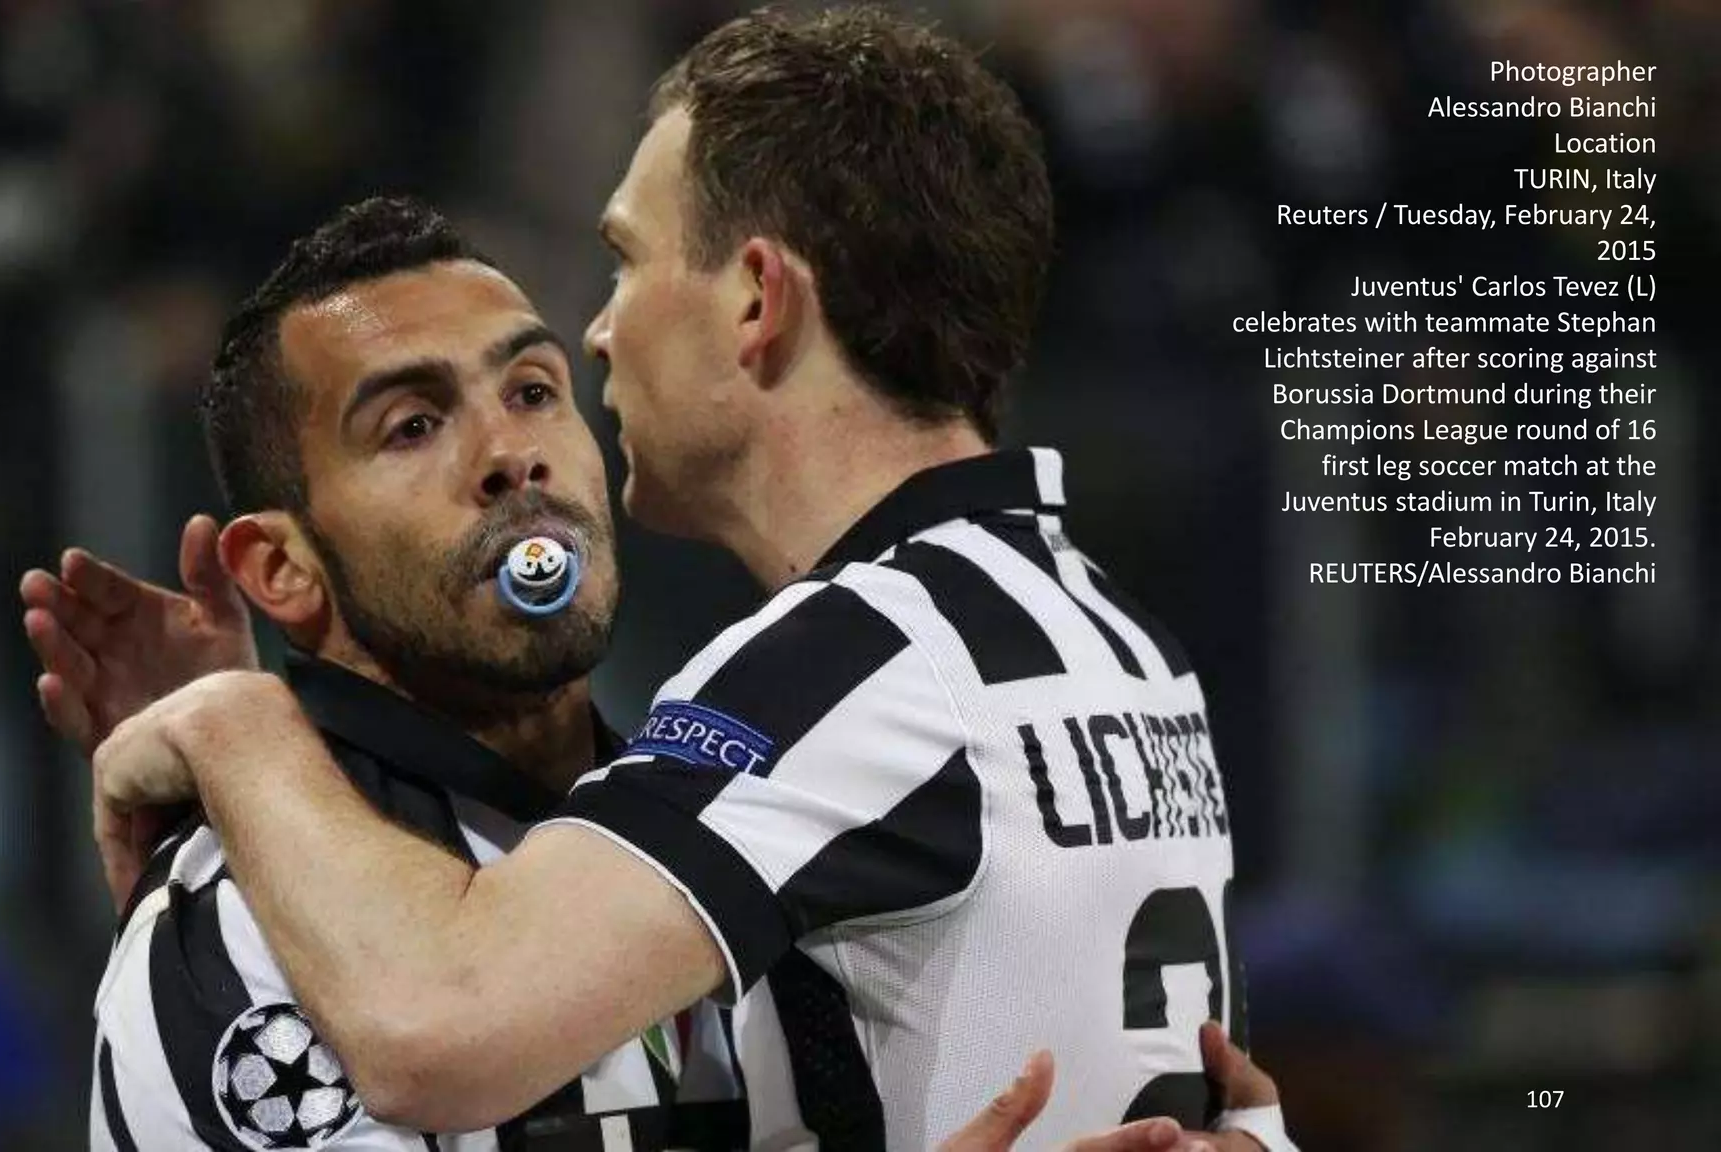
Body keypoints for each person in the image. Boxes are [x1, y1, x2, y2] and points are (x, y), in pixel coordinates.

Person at [79, 9, 1294, 1149]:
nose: (595, 338)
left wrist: (235, 730)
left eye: (619, 266)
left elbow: (435, 1024)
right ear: (278, 564)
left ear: (756, 298)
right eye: (409, 427)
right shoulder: (1111, 638)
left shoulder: (844, 668)